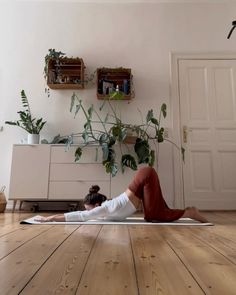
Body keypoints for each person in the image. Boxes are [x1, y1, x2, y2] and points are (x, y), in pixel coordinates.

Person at [35, 166, 208, 223]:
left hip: (145, 176)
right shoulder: (108, 209)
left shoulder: (104, 208)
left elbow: (80, 216)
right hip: (144, 176)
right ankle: (184, 212)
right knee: (155, 213)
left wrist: (50, 218)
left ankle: (190, 212)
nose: (91, 214)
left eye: (90, 210)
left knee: (154, 215)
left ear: (96, 206)